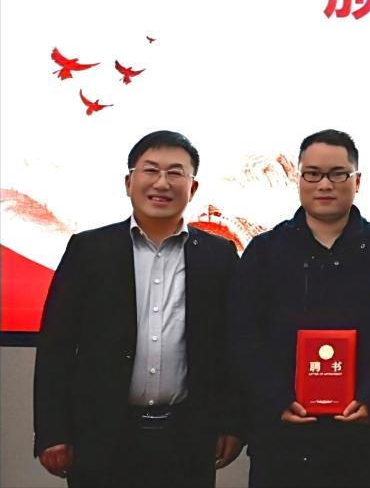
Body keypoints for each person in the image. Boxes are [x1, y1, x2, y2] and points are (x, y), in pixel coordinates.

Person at [33, 130, 243, 487]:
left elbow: (231, 348)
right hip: (101, 437)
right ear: (129, 183)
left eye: (175, 173)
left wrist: (232, 423)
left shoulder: (219, 256)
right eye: (151, 170)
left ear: (192, 188)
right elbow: (57, 345)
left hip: (187, 438)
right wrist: (52, 431)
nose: (162, 183)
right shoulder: (89, 250)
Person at [228, 129, 370, 488]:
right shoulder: (265, 250)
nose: (324, 184)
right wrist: (276, 397)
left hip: (356, 438)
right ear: (299, 179)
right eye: (312, 174)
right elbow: (243, 334)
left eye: (337, 174)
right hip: (279, 437)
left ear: (356, 181)